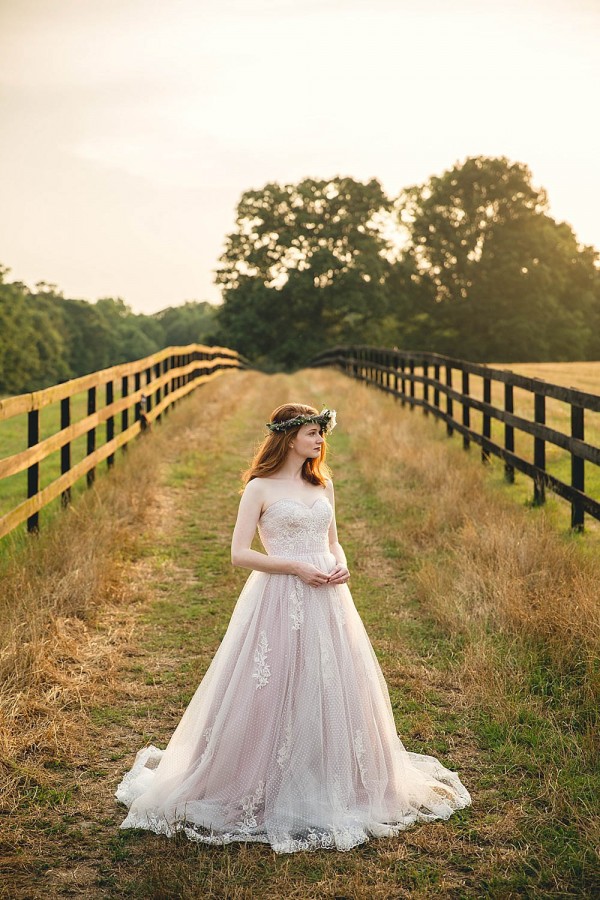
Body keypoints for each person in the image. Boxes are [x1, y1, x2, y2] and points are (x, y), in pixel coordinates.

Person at [115, 403, 471, 853]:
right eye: (311, 433)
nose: (320, 441)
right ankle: (258, 776)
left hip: (329, 596)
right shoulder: (259, 488)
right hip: (281, 594)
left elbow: (334, 542)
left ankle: (332, 775)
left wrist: (341, 567)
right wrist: (294, 567)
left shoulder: (323, 484)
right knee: (273, 681)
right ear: (288, 437)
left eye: (321, 433)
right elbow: (239, 554)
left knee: (332, 684)